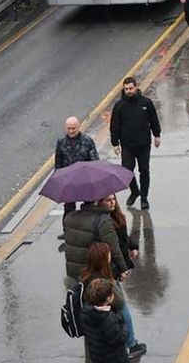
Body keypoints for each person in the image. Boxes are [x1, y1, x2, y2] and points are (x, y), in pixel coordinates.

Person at [79, 241, 144, 360]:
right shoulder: (103, 283)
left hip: (96, 348)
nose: (111, 256)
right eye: (108, 254)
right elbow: (119, 303)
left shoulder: (86, 276)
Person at [110, 77, 160, 211]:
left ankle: (144, 197)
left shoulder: (146, 102)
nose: (128, 91)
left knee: (144, 170)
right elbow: (114, 125)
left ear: (136, 87)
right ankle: (135, 191)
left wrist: (157, 135)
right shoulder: (119, 106)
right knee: (126, 171)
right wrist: (115, 143)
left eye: (130, 88)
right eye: (126, 89)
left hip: (143, 144)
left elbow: (154, 119)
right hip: (127, 145)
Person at [63, 198, 128, 283]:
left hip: (74, 273)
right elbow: (113, 247)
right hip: (95, 275)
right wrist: (123, 269)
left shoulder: (70, 217)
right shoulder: (102, 220)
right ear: (98, 201)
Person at [55, 116, 99, 215]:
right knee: (69, 208)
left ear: (79, 127)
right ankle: (68, 228)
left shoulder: (87, 141)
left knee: (89, 206)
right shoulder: (61, 142)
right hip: (69, 180)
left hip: (85, 179)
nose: (71, 131)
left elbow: (94, 161)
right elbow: (58, 162)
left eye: (73, 128)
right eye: (68, 128)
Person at [80, 278, 130, 363]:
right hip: (115, 358)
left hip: (97, 356)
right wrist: (122, 324)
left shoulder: (86, 312)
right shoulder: (108, 319)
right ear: (108, 299)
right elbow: (119, 339)